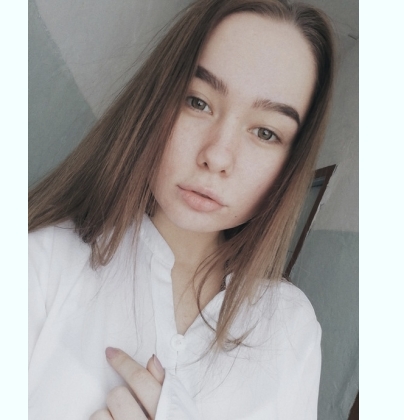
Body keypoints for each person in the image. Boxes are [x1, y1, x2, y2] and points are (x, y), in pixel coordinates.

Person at [28, 0, 335, 418]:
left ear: (290, 163)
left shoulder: (291, 326)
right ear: (157, 100)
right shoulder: (42, 261)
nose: (217, 156)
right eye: (198, 102)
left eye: (265, 132)